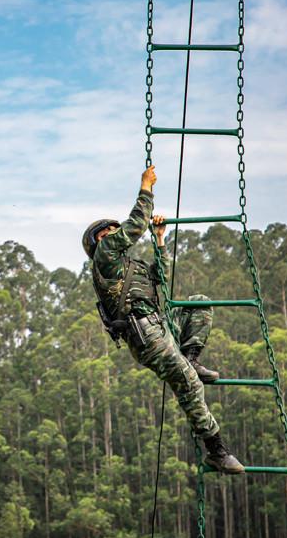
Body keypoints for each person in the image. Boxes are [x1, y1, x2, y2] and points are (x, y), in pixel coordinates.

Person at [82, 165, 244, 474]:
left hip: (160, 324)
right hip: (147, 337)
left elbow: (160, 279)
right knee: (189, 385)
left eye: (112, 232)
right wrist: (146, 188)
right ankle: (216, 449)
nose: (112, 236)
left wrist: (159, 241)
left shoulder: (132, 266)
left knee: (198, 304)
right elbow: (135, 224)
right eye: (105, 235)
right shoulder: (104, 258)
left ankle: (192, 357)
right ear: (98, 244)